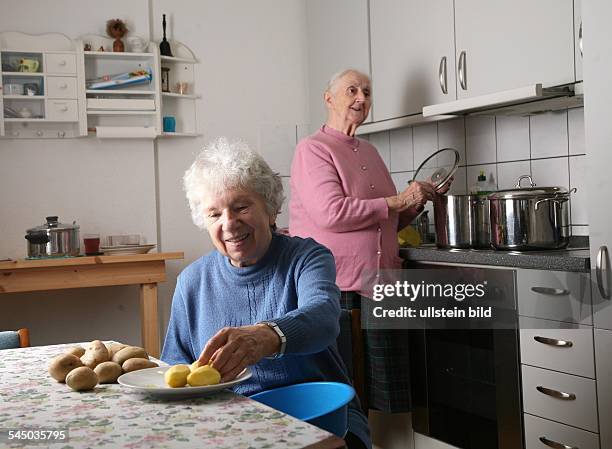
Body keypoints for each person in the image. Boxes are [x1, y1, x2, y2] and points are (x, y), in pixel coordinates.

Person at [161, 137, 371, 449]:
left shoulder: (307, 258)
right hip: (230, 426)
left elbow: (324, 316)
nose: (229, 224)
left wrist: (266, 336)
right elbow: (174, 370)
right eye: (214, 214)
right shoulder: (192, 281)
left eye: (241, 206)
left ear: (271, 210)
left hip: (321, 419)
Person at [289, 69, 447, 413]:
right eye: (352, 90)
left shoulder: (370, 152)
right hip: (341, 284)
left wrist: (417, 200)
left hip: (382, 281)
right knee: (349, 389)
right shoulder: (313, 149)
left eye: (367, 92)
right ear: (328, 98)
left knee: (386, 393)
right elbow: (331, 212)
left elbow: (388, 218)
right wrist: (397, 201)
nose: (361, 98)